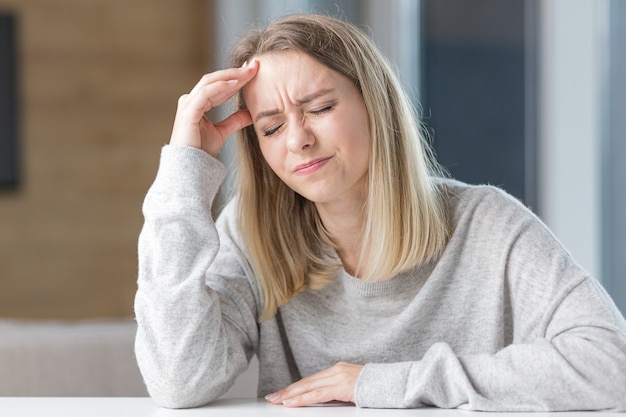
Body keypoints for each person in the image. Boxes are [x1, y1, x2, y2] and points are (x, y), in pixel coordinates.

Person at [134, 13, 626, 411]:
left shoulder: (487, 224)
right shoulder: (250, 233)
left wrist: (379, 384)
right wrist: (184, 173)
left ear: (375, 104)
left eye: (320, 107)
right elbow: (180, 381)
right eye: (270, 127)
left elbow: (612, 363)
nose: (299, 138)